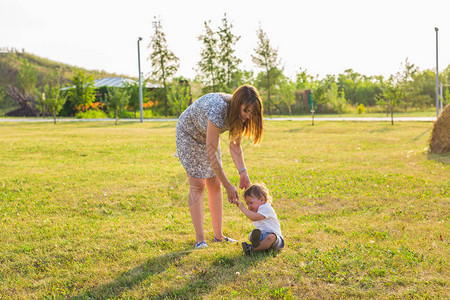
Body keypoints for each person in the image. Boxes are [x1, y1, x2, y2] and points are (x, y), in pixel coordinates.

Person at [175, 85, 264, 249]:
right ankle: (200, 240)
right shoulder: (219, 109)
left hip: (208, 135)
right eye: (246, 111)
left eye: (252, 113)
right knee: (198, 184)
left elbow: (235, 146)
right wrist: (228, 186)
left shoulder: (240, 115)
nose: (248, 116)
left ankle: (218, 236)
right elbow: (212, 154)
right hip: (188, 134)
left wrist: (242, 173)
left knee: (214, 182)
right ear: (238, 104)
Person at [236, 183, 284, 255]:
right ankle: (259, 245)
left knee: (270, 237)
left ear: (262, 200)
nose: (249, 206)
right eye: (247, 204)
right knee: (252, 234)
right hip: (262, 235)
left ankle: (252, 249)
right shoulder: (257, 210)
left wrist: (242, 208)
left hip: (276, 240)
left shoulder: (266, 208)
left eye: (251, 203)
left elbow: (254, 218)